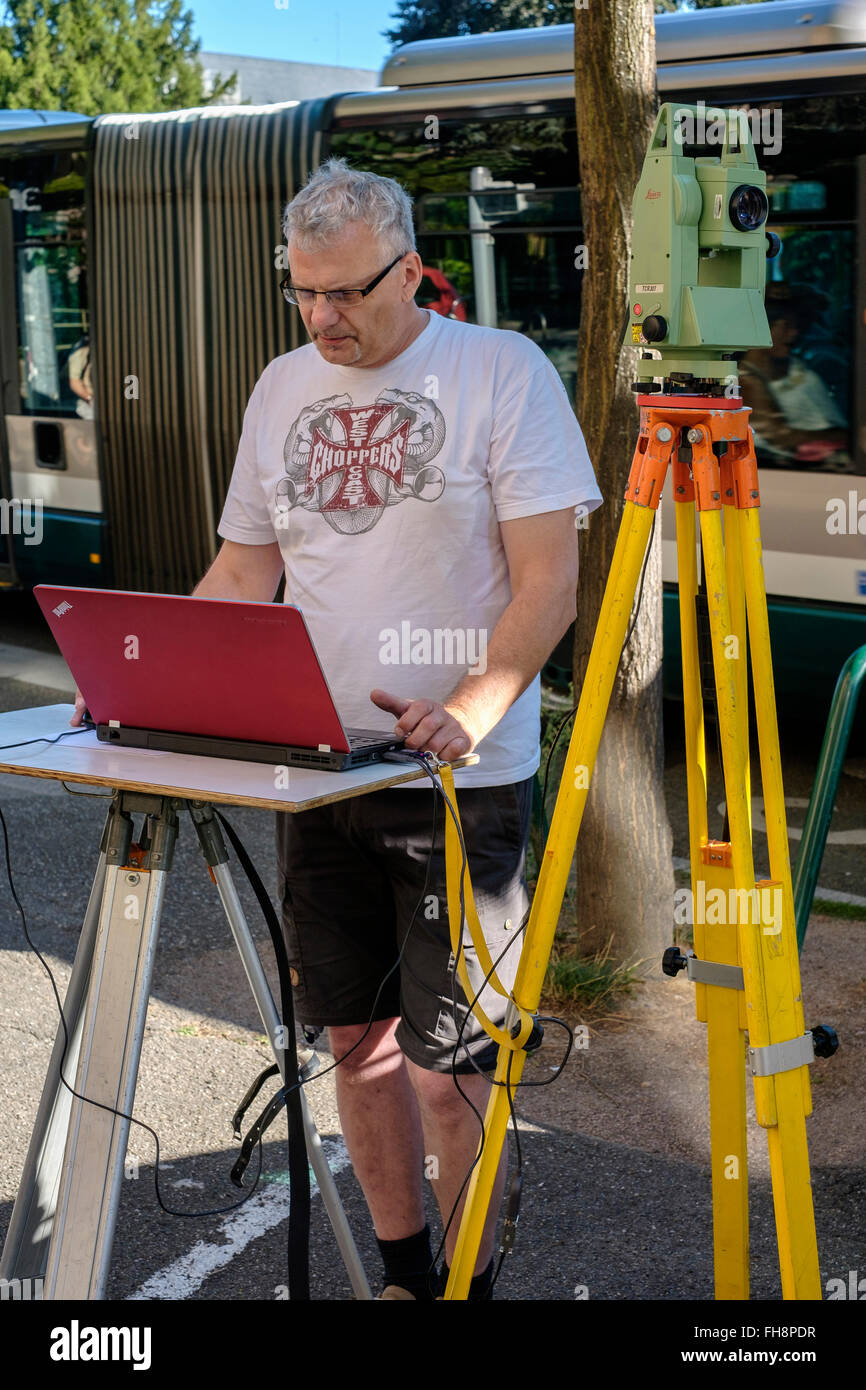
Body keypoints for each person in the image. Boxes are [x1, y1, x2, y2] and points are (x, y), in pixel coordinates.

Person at [72, 158, 602, 1299]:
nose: (322, 318)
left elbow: (549, 582)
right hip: (314, 774)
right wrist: (141, 680)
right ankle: (405, 1274)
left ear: (410, 269)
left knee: (445, 1072)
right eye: (302, 294)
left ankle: (469, 1281)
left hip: (461, 781)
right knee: (355, 1053)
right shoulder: (278, 388)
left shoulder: (500, 374)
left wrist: (464, 712)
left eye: (346, 294)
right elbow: (244, 567)